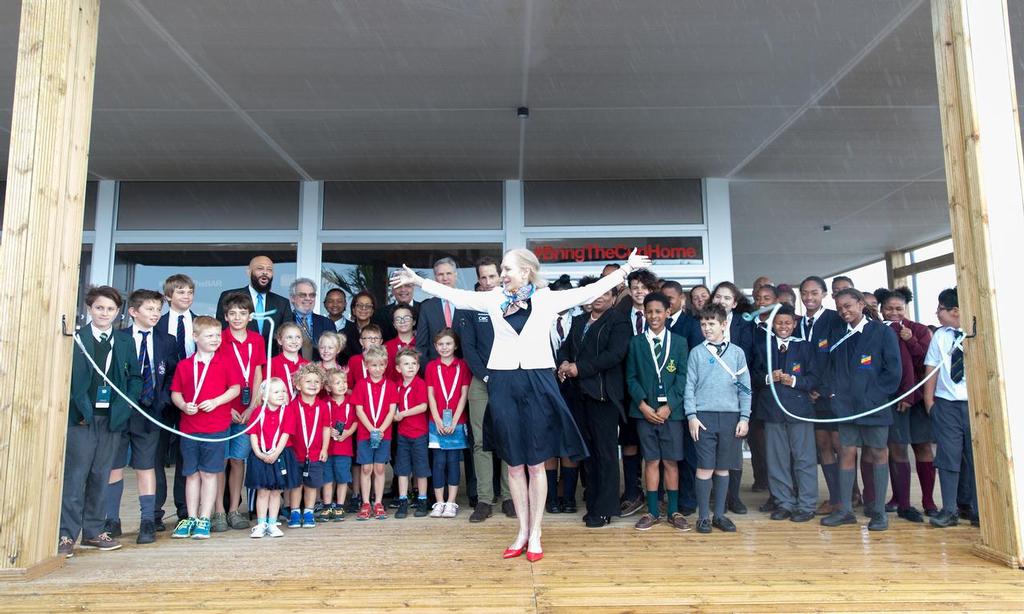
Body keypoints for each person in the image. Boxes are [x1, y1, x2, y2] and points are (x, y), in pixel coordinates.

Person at [391, 247, 651, 562]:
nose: (502, 275)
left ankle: (537, 532)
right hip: (502, 383)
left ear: (526, 271)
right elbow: (455, 295)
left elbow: (591, 290)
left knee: (536, 462)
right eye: (502, 270)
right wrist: (418, 280)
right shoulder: (492, 298)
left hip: (538, 382)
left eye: (508, 270)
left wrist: (626, 269)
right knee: (514, 463)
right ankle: (522, 532)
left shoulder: (546, 298)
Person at [58, 286, 143, 558]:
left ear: (118, 312)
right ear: (89, 309)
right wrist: (79, 406)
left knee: (100, 475)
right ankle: (66, 534)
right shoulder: (76, 339)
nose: (104, 313)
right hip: (81, 417)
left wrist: (125, 406)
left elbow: (135, 379)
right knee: (76, 476)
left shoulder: (125, 341)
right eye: (99, 308)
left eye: (110, 309)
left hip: (112, 418)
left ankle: (93, 532)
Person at [819, 288, 901, 532]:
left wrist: (874, 397)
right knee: (846, 453)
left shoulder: (882, 331)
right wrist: (834, 395)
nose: (844, 311)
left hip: (874, 408)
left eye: (848, 305)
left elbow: (893, 372)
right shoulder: (838, 334)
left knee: (878, 453)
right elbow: (831, 369)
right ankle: (845, 510)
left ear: (861, 303)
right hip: (846, 408)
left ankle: (878, 512)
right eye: (840, 308)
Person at [556, 276, 631, 528]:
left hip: (603, 396)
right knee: (588, 455)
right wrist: (564, 363)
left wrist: (580, 368)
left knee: (606, 454)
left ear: (612, 297)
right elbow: (565, 349)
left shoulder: (618, 321)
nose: (599, 297)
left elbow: (615, 355)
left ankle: (606, 508)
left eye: (605, 293)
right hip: (579, 395)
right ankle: (593, 504)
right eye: (595, 293)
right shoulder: (578, 321)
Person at [106, 289, 177, 546]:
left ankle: (147, 520)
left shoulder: (167, 340)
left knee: (146, 466)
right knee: (114, 466)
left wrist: (162, 400)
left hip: (150, 412)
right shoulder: (119, 338)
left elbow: (171, 375)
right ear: (134, 312)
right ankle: (111, 520)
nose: (155, 314)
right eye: (149, 309)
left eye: (158, 309)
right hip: (120, 411)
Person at [169, 316, 242, 540]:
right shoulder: (184, 365)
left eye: (218, 335)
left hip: (216, 428)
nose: (215, 339)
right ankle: (191, 517)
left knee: (210, 473)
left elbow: (235, 389)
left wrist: (217, 402)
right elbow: (176, 392)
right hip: (189, 428)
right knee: (191, 474)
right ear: (195, 337)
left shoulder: (225, 361)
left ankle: (204, 517)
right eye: (209, 335)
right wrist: (183, 405)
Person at [626, 293, 691, 532]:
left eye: (658, 311)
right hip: (644, 412)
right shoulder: (636, 343)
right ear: (644, 313)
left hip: (671, 414)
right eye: (649, 311)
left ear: (668, 313)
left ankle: (673, 510)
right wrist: (643, 405)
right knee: (651, 461)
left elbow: (683, 378)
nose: (654, 316)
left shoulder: (680, 342)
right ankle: (652, 511)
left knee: (671, 462)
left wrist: (669, 406)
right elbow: (630, 378)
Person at [685, 303, 751, 534]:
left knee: (723, 468)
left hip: (731, 417)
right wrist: (691, 416)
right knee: (704, 467)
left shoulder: (737, 353)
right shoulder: (696, 353)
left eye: (711, 323)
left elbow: (745, 389)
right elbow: (689, 387)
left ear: (724, 324)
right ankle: (703, 517)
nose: (706, 328)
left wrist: (744, 417)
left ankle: (720, 515)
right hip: (704, 418)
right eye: (703, 324)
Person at [751, 303, 818, 523]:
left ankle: (807, 504)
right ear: (771, 324)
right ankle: (784, 503)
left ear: (795, 324)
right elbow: (753, 376)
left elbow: (815, 378)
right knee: (776, 459)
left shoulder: (806, 347)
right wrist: (770, 378)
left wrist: (796, 381)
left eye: (788, 323)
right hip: (772, 411)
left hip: (799, 411)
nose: (783, 327)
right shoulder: (763, 347)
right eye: (778, 323)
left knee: (804, 458)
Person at [458, 255, 512, 522]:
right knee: (480, 442)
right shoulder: (469, 306)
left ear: (501, 276)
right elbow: (468, 348)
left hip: (511, 379)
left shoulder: (515, 303)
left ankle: (509, 496)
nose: (489, 282)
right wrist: (488, 376)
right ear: (478, 279)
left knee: (508, 438)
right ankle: (484, 499)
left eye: (493, 276)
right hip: (482, 381)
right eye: (484, 277)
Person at [875, 287, 935, 521]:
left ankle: (929, 501)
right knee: (897, 449)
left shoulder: (919, 330)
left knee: (922, 447)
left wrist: (910, 342)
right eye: (889, 308)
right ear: (881, 309)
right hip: (893, 399)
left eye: (899, 308)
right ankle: (901, 500)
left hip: (918, 398)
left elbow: (926, 364)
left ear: (906, 308)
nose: (894, 313)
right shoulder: (878, 331)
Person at [923, 288, 975, 528]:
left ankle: (977, 508)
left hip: (976, 405)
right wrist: (930, 402)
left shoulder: (976, 333)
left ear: (955, 311)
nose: (937, 313)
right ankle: (949, 509)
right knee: (947, 458)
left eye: (940, 309)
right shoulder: (940, 335)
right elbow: (931, 368)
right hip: (946, 405)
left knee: (976, 458)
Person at [213, 292, 265, 533]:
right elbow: (214, 376)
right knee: (220, 460)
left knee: (238, 460)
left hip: (248, 410)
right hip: (225, 408)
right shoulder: (219, 339)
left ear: (249, 316)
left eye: (242, 313)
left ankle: (234, 509)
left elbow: (256, 374)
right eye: (232, 313)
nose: (237, 317)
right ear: (225, 316)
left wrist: (253, 406)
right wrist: (229, 406)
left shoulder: (256, 339)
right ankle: (218, 511)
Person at [798, 275, 846, 515]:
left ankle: (847, 496)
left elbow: (838, 358)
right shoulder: (797, 323)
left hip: (830, 394)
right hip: (807, 395)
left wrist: (823, 390)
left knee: (840, 445)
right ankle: (835, 496)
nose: (809, 297)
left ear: (825, 294)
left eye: (814, 293)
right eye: (805, 293)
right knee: (823, 444)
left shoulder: (834, 320)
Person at [616, 268, 660, 517]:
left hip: (657, 390)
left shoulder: (663, 314)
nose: (639, 290)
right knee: (630, 442)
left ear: (652, 289)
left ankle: (657, 492)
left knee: (656, 444)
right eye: (635, 286)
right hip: (627, 389)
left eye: (644, 286)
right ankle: (633, 492)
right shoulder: (619, 314)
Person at [155, 274, 197, 525]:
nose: (187, 296)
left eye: (190, 292)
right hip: (161, 399)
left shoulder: (200, 324)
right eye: (181, 292)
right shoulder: (157, 325)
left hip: (190, 399)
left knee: (186, 454)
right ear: (169, 296)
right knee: (157, 456)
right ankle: (155, 512)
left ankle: (184, 507)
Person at [711, 281, 754, 515]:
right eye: (718, 297)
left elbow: (748, 357)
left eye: (727, 298)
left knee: (734, 450)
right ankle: (715, 496)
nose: (721, 301)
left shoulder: (744, 326)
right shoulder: (704, 322)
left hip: (735, 393)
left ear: (734, 303)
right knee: (712, 448)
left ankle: (733, 497)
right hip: (709, 394)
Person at [426, 328, 471, 518]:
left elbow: (463, 395)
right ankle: (439, 502)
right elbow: (431, 395)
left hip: (457, 422)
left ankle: (451, 502)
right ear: (436, 347)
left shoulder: (463, 366)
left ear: (455, 346)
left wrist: (454, 420)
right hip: (435, 423)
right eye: (441, 344)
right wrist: (437, 419)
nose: (445, 347)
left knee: (453, 462)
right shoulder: (430, 366)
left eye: (448, 344)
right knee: (438, 462)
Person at [245, 378, 298, 539]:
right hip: (260, 455)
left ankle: (273, 522)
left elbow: (285, 434)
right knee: (262, 491)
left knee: (276, 492)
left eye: (283, 391)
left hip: (280, 454)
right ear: (264, 396)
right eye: (276, 392)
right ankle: (261, 523)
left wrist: (275, 454)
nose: (282, 394)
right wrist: (259, 453)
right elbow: (253, 435)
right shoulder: (257, 412)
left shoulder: (288, 411)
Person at [351, 345, 399, 521]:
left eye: (380, 365)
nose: (377, 369)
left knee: (379, 468)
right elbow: (359, 410)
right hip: (365, 433)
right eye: (373, 365)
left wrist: (380, 430)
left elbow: (391, 411)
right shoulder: (361, 385)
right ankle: (365, 502)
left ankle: (378, 502)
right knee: (366, 468)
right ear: (366, 366)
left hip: (384, 434)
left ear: (386, 365)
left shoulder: (391, 385)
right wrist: (371, 429)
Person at [285, 364, 331, 529]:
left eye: (317, 382)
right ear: (297, 385)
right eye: (308, 381)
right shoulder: (291, 406)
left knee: (312, 484)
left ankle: (309, 512)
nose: (313, 385)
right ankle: (295, 512)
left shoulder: (323, 406)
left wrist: (325, 448)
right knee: (296, 485)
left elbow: (326, 428)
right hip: (295, 453)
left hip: (315, 453)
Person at [215, 255, 292, 346]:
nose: (265, 272)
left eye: (269, 270)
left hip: (271, 358)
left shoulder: (283, 303)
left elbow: (287, 335)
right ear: (248, 272)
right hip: (236, 356)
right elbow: (221, 330)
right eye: (260, 268)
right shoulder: (229, 297)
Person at [392, 349, 431, 519]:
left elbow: (423, 406)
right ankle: (403, 501)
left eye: (414, 364)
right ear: (398, 368)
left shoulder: (420, 384)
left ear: (418, 367)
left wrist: (402, 414)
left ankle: (422, 500)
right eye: (406, 364)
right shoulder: (397, 386)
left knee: (421, 469)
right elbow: (392, 406)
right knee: (402, 470)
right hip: (403, 435)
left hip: (419, 434)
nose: (410, 367)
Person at [320, 368, 357, 522]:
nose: (342, 385)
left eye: (344, 382)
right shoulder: (324, 403)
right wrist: (329, 431)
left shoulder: (351, 402)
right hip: (328, 448)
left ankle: (340, 506)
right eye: (337, 383)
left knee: (342, 478)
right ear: (328, 387)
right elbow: (321, 423)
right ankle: (328, 505)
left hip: (344, 447)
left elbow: (355, 422)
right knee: (327, 478)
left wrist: (347, 433)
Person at [288, 278, 336, 362]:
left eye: (312, 295)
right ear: (292, 298)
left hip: (320, 372)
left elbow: (334, 353)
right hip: (290, 371)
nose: (308, 298)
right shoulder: (285, 321)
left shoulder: (327, 323)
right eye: (303, 295)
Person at [266, 322, 308, 400]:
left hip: (302, 410)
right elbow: (266, 391)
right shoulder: (272, 363)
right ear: (280, 340)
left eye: (298, 337)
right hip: (279, 409)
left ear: (302, 340)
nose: (294, 341)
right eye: (289, 337)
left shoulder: (307, 365)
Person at [340, 291, 378, 363]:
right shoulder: (344, 333)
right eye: (359, 305)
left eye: (368, 306)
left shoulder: (380, 331)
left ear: (372, 311)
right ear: (353, 310)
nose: (363, 308)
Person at [384, 304, 417, 383]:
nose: (402, 321)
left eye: (407, 318)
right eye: (398, 319)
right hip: (393, 392)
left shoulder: (421, 344)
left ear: (414, 322)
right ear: (394, 324)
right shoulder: (386, 347)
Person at [346, 324, 384, 390]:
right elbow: (349, 386)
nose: (373, 341)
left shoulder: (385, 359)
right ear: (361, 342)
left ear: (381, 342)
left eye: (376, 338)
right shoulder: (354, 360)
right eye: (369, 338)